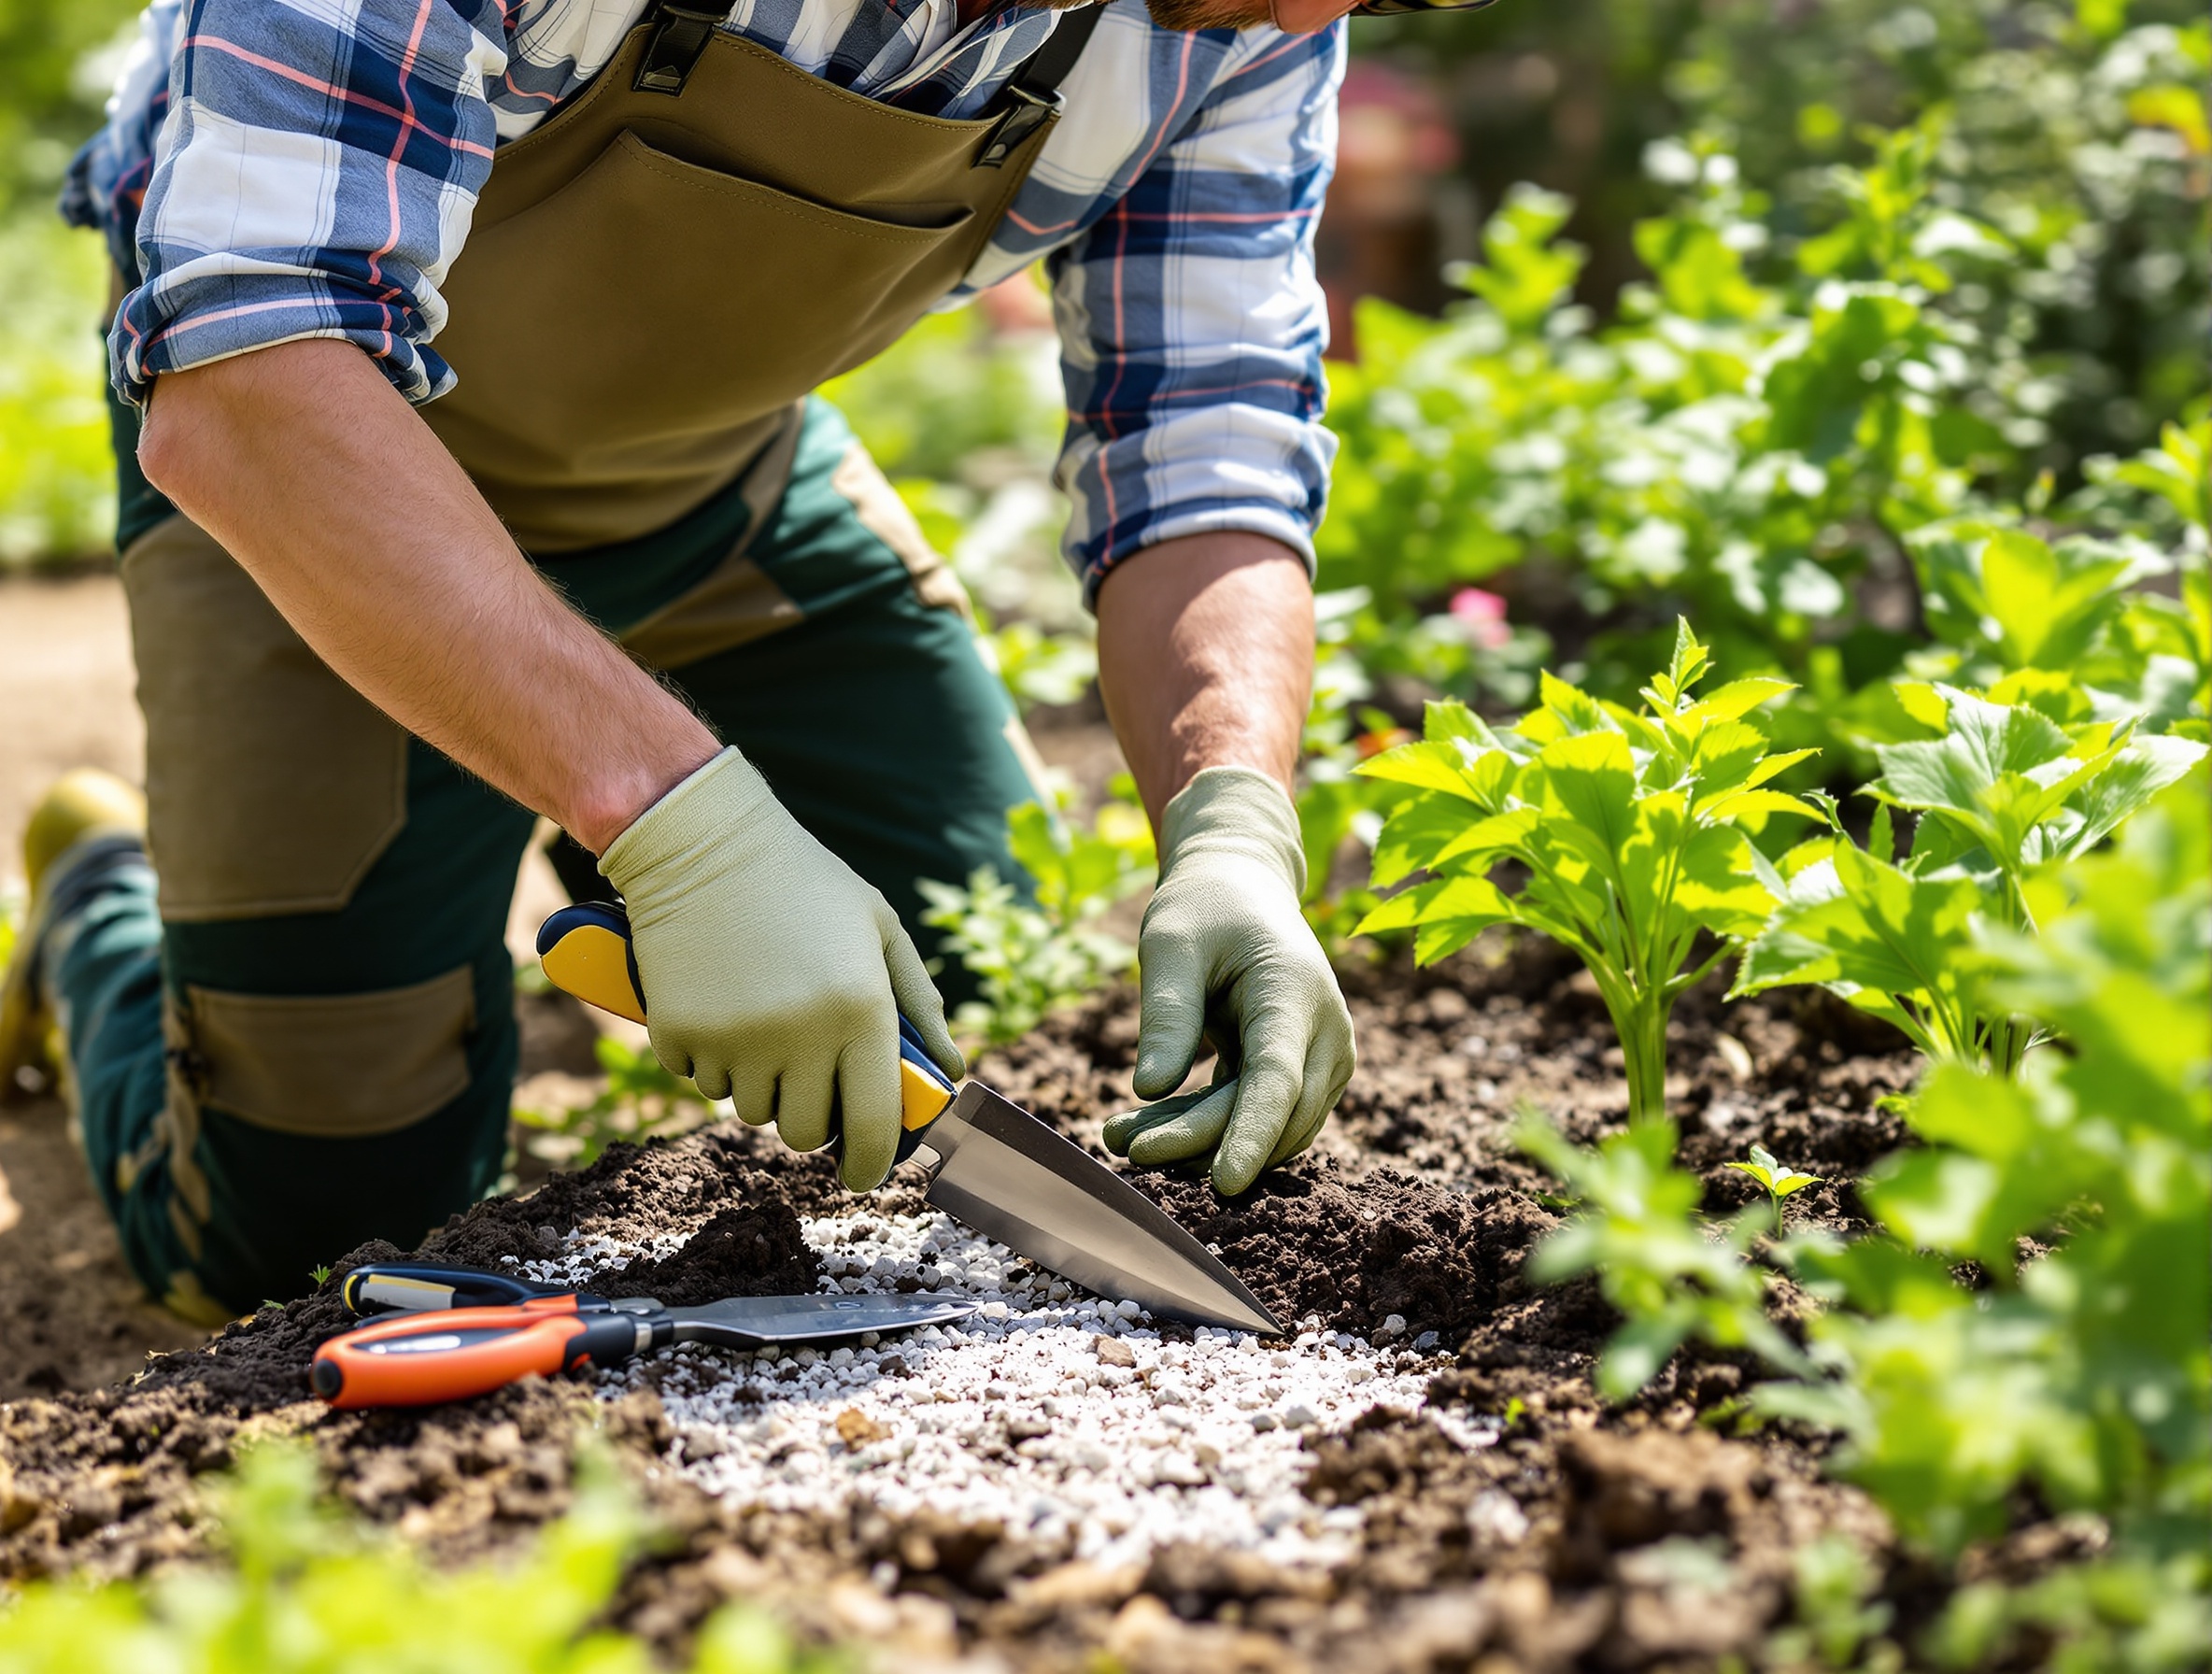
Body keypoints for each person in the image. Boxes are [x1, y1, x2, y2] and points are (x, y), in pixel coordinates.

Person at [1, 0, 1494, 1322]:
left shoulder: (1248, 22)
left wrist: (1232, 830)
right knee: (306, 1255)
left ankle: (590, 808)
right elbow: (253, 363)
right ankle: (94, 915)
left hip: (709, 481)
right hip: (320, 482)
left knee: (970, 972)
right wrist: (686, 832)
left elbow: (1205, 435)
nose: (1319, 17)